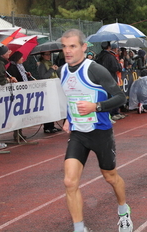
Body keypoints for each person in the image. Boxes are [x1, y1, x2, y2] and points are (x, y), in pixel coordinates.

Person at [59, 29, 132, 232]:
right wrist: (68, 117)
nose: (67, 51)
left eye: (72, 46)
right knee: (69, 181)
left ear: (83, 47)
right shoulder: (62, 71)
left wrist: (96, 107)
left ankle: (124, 210)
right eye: (64, 46)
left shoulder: (95, 70)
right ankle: (79, 228)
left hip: (100, 132)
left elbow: (120, 98)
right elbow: (71, 96)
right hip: (78, 134)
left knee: (110, 176)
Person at [7, 51, 33, 140]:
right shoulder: (12, 68)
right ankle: (17, 133)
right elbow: (16, 79)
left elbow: (23, 77)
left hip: (24, 92)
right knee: (18, 113)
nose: (22, 59)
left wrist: (27, 75)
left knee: (22, 113)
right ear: (17, 58)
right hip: (18, 94)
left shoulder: (21, 67)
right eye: (21, 57)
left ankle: (20, 132)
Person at [95, 41, 125, 121]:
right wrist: (120, 65)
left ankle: (111, 114)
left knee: (104, 97)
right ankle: (112, 113)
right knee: (113, 96)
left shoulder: (98, 56)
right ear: (109, 47)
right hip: (110, 78)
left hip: (100, 79)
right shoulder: (110, 56)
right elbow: (115, 68)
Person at [38, 51, 63, 133]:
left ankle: (52, 125)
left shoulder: (49, 63)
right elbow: (43, 76)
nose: (49, 56)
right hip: (47, 89)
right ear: (42, 55)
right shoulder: (42, 65)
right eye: (47, 55)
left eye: (49, 54)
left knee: (53, 107)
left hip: (53, 88)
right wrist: (52, 69)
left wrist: (55, 69)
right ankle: (47, 126)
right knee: (48, 107)